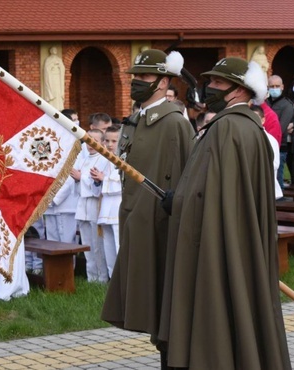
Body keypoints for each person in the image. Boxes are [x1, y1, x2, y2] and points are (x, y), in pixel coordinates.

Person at [158, 57, 291, 369]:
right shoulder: (247, 127)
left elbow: (209, 193)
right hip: (237, 239)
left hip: (216, 244)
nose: (210, 87)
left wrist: (178, 201)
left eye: (218, 82)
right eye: (212, 81)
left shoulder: (228, 128)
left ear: (240, 89)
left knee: (215, 311)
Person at [101, 49, 194, 368]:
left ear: (164, 81)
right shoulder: (137, 121)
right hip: (136, 222)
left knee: (167, 310)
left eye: (145, 77)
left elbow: (185, 178)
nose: (137, 82)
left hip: (162, 229)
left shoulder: (173, 123)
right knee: (152, 310)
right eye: (135, 77)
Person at [71, 129, 110, 283]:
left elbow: (98, 184)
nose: (91, 144)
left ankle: (102, 277)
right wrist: (77, 179)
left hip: (95, 205)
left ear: (102, 142)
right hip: (83, 206)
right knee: (87, 244)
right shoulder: (84, 159)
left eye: (95, 140)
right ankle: (91, 276)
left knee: (97, 245)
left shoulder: (104, 159)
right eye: (88, 139)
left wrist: (82, 177)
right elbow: (78, 182)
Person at [91, 126, 122, 278]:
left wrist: (104, 179)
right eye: (107, 141)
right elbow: (96, 190)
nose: (110, 144)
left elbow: (126, 184)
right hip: (105, 209)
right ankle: (111, 277)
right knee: (108, 247)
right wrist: (97, 181)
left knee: (119, 246)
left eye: (114, 141)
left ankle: (122, 279)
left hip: (118, 208)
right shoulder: (103, 160)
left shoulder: (125, 159)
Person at [267, 75, 294, 189]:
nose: (274, 88)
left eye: (277, 86)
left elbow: (281, 128)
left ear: (282, 87)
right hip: (264, 145)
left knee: (277, 177)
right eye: (272, 86)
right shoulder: (265, 103)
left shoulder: (286, 105)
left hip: (279, 146)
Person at [251, 105, 283, 199]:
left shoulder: (270, 140)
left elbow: (274, 164)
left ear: (263, 120)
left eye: (256, 118)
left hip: (264, 186)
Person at [43, 47, 66, 111]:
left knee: (58, 92)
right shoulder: (48, 59)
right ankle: (52, 106)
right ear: (51, 51)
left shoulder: (59, 59)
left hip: (58, 77)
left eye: (56, 49)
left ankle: (59, 107)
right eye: (53, 49)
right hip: (52, 77)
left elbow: (63, 68)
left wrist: (59, 66)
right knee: (53, 91)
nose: (55, 50)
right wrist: (53, 64)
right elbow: (46, 69)